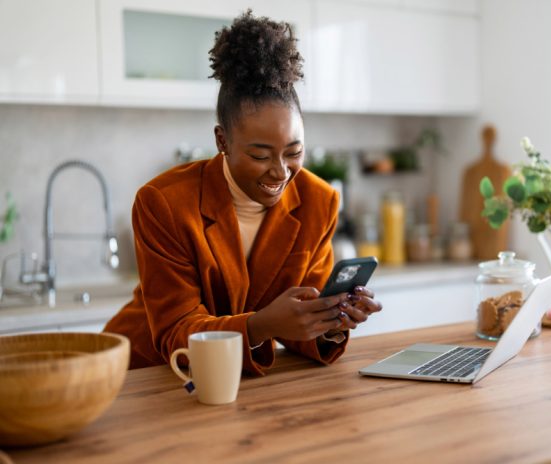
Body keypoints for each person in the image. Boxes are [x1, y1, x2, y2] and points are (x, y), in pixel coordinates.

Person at [104, 10, 382, 374]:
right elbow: (175, 330)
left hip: (241, 384)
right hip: (152, 376)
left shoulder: (318, 201)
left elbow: (299, 322)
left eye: (294, 152)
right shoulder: (164, 203)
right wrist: (260, 325)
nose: (280, 171)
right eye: (259, 154)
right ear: (222, 141)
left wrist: (330, 321)